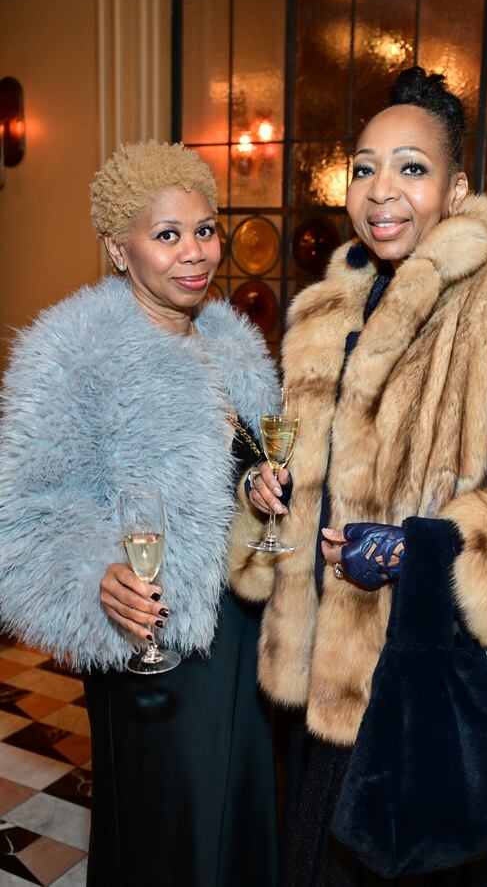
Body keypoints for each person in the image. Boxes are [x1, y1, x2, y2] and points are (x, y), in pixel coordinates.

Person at [229, 67, 487, 886]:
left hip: (432, 710)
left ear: (458, 189)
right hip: (325, 709)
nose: (380, 190)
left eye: (412, 167)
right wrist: (270, 495)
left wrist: (422, 552)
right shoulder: (330, 315)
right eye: (364, 167)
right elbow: (309, 481)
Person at [0, 140, 279, 887]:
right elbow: (29, 514)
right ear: (118, 250)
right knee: (172, 836)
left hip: (248, 633)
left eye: (206, 229)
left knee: (248, 824)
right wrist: (99, 577)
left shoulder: (233, 345)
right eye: (167, 235)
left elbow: (246, 467)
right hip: (154, 633)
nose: (196, 253)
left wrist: (262, 484)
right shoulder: (70, 352)